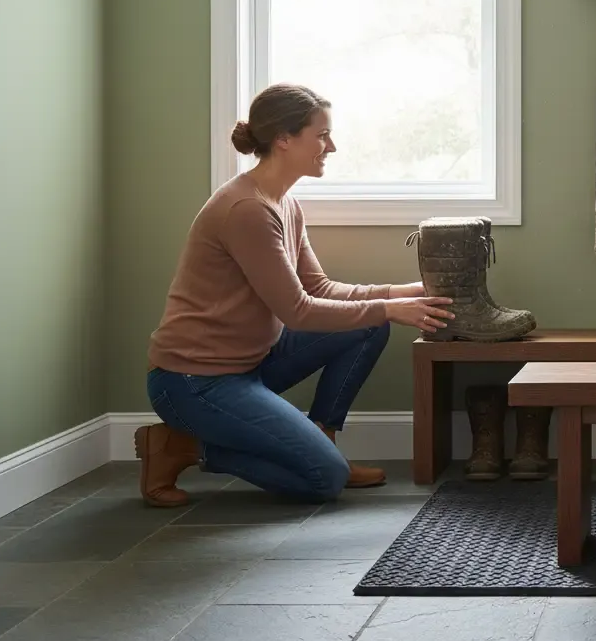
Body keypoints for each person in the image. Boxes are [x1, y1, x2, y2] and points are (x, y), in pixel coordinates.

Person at [137, 83, 455, 507]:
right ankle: (183, 447)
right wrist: (390, 308)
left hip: (251, 362)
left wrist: (404, 292)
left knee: (368, 325)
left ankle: (320, 440)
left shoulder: (284, 203)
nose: (331, 147)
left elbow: (318, 287)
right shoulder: (247, 210)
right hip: (195, 382)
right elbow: (299, 311)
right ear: (284, 139)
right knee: (325, 478)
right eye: (322, 135)